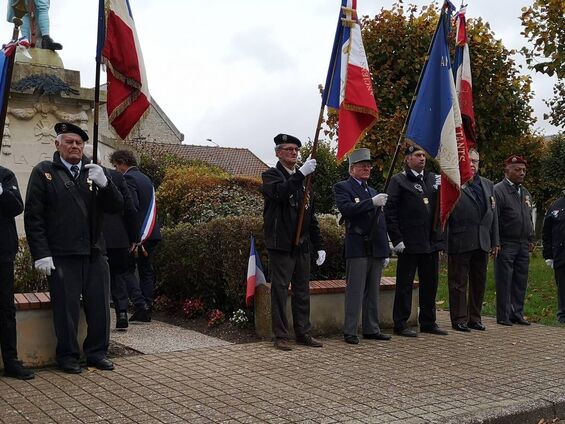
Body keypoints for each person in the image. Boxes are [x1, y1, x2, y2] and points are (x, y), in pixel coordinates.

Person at [24, 123, 123, 373]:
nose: (75, 146)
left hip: (94, 253)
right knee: (65, 310)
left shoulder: (94, 172)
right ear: (57, 145)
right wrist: (41, 253)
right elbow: (34, 217)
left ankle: (97, 353)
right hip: (62, 254)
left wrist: (106, 184)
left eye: (78, 143)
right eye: (69, 142)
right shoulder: (44, 172)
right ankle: (67, 356)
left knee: (100, 308)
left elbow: (116, 207)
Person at [261, 133, 325, 351]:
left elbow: (310, 216)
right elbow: (280, 193)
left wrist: (320, 245)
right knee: (280, 289)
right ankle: (281, 334)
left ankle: (303, 332)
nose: (294, 153)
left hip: (302, 244)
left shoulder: (304, 181)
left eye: (296, 150)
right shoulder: (271, 175)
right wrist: (300, 174)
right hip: (281, 244)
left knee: (302, 290)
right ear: (278, 153)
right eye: (289, 150)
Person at [385, 145, 448, 337]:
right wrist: (396, 238)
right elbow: (390, 211)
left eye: (423, 155)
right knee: (405, 284)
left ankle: (428, 321)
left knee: (430, 283)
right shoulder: (399, 180)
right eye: (417, 155)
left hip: (430, 241)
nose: (422, 158)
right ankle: (401, 323)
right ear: (407, 159)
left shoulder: (431, 178)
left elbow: (440, 208)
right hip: (409, 242)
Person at [334, 148, 391, 344]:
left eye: (368, 166)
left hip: (375, 247)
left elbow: (381, 223)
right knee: (355, 290)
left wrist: (385, 251)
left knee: (373, 290)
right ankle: (350, 330)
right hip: (357, 245)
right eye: (361, 166)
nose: (366, 168)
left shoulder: (373, 191)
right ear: (352, 169)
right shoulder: (343, 187)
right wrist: (371, 203)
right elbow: (347, 210)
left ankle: (371, 328)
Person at [83, 146, 140, 330]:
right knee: (118, 276)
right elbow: (130, 209)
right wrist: (134, 236)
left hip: (98, 237)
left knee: (100, 278)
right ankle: (121, 311)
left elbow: (128, 206)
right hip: (116, 237)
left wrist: (134, 237)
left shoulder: (86, 177)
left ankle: (105, 317)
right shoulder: (116, 176)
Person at [446, 149, 499, 332]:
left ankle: (474, 318)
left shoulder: (488, 184)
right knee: (459, 282)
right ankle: (459, 318)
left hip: (482, 240)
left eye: (475, 161)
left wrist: (495, 240)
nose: (472, 164)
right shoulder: (453, 183)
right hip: (460, 239)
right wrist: (443, 242)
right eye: (469, 161)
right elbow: (445, 215)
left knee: (479, 281)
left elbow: (494, 215)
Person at [109, 150, 160, 319]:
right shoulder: (146, 178)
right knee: (146, 270)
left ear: (123, 162)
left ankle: (140, 305)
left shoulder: (128, 178)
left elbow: (132, 206)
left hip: (138, 234)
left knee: (127, 269)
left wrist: (132, 235)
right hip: (152, 232)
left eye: (116, 165)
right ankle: (147, 303)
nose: (116, 169)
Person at [0, 166, 34, 380]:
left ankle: (11, 361)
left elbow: (16, 207)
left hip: (1, 254)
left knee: (5, 309)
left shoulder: (5, 175)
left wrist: (0, 191)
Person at [494, 155, 535, 326]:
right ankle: (503, 316)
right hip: (506, 243)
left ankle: (517, 313)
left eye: (524, 170)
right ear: (507, 171)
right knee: (505, 279)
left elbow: (528, 216)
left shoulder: (524, 192)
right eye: (517, 169)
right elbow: (495, 219)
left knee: (520, 279)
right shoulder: (498, 190)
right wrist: (495, 242)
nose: (522, 173)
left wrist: (531, 237)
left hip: (523, 243)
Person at [542, 190, 565, 323]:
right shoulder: (556, 206)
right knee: (562, 287)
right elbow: (547, 232)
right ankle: (563, 315)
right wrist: (548, 255)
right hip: (561, 255)